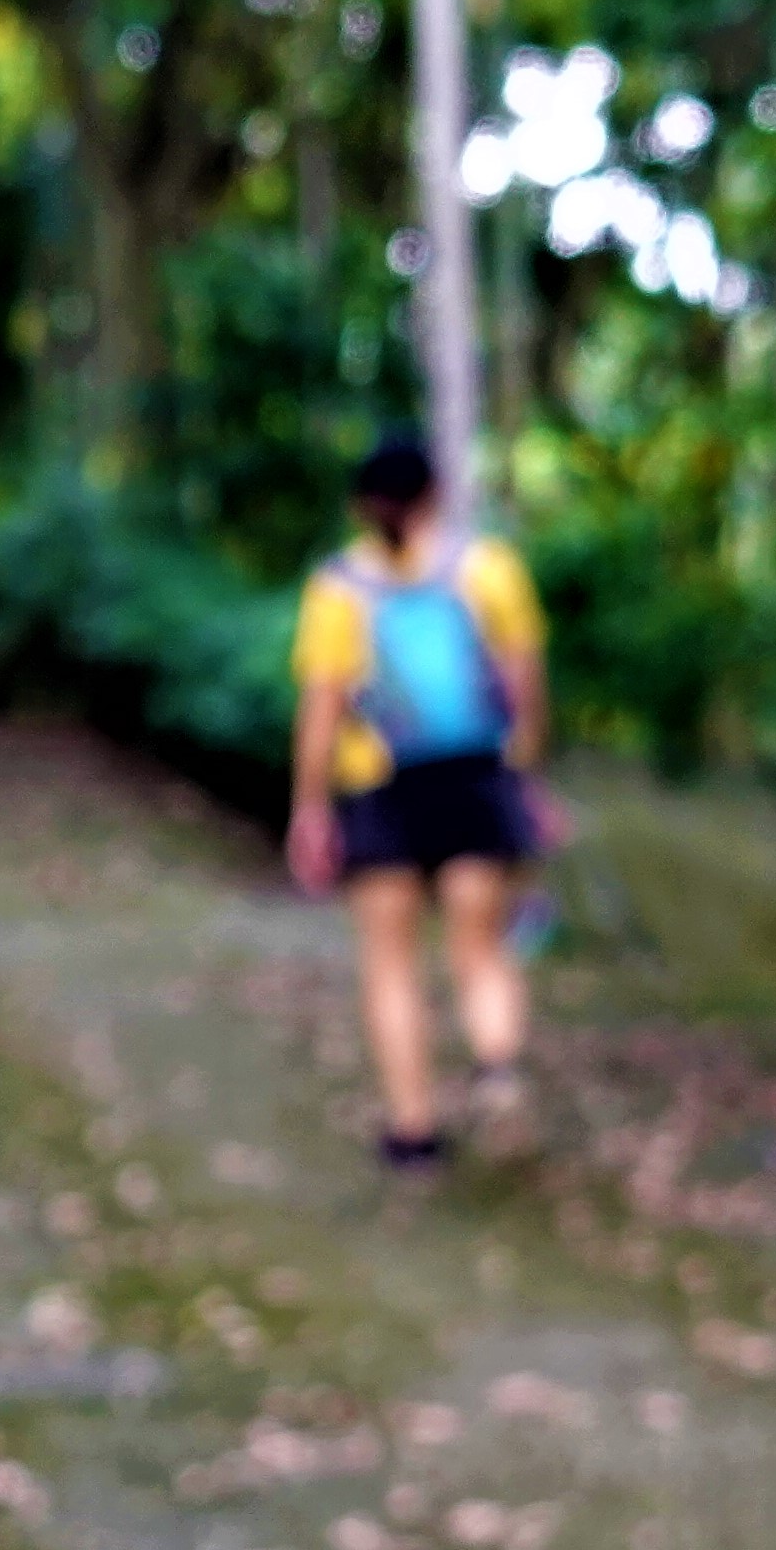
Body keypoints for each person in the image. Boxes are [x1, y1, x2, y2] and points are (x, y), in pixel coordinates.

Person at [285, 434, 567, 1170]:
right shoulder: (487, 569)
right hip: (474, 777)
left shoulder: (337, 589)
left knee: (390, 962)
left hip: (379, 788)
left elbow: (321, 710)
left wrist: (309, 807)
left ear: (360, 506)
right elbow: (524, 687)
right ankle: (497, 1061)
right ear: (436, 493)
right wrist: (525, 771)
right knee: (479, 945)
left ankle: (413, 1130)